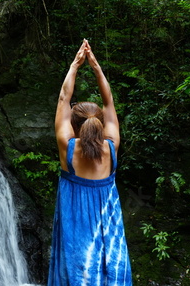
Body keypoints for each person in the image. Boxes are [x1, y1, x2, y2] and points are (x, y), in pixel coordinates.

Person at [48, 39, 133, 285]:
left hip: (75, 226)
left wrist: (76, 64)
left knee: (77, 272)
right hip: (108, 225)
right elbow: (109, 103)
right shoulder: (112, 148)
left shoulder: (67, 147)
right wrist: (96, 67)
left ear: (74, 125)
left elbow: (64, 98)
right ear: (100, 122)